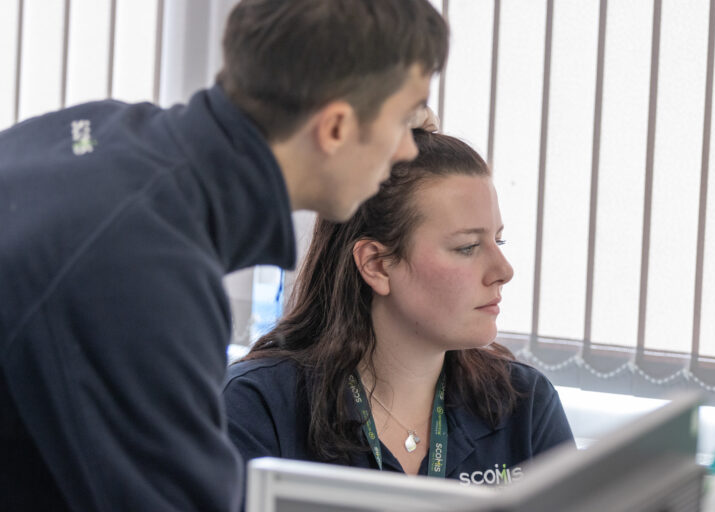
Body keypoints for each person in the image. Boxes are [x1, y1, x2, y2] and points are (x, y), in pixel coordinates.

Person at [0, 1, 448, 510]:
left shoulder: (96, 131)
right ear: (337, 128)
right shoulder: (144, 271)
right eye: (402, 119)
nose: (408, 149)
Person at [224, 128, 574, 487]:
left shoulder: (525, 406)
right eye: (468, 247)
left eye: (498, 240)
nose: (504, 271)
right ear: (376, 264)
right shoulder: (255, 407)